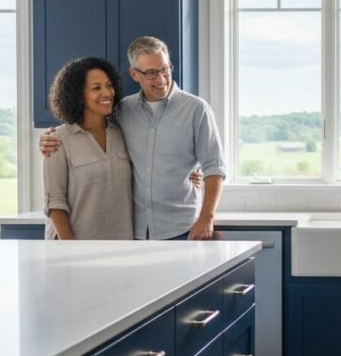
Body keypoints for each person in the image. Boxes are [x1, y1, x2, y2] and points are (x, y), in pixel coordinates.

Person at [42, 36, 226, 240]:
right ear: (134, 74)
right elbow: (55, 197)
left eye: (165, 69)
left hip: (182, 229)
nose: (161, 79)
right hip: (135, 234)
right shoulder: (123, 111)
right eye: (151, 73)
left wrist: (206, 217)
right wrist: (46, 140)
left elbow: (214, 166)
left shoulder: (196, 109)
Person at [43, 57, 133, 240]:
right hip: (74, 247)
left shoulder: (122, 133)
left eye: (109, 85)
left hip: (122, 247)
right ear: (77, 95)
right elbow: (55, 203)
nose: (107, 93)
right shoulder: (57, 140)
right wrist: (71, 247)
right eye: (96, 88)